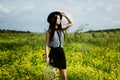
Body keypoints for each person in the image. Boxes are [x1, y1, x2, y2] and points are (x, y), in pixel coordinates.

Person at [45, 11, 73, 80]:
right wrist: (47, 57)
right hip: (53, 53)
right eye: (58, 18)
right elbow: (46, 45)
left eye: (60, 18)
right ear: (53, 20)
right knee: (53, 77)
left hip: (61, 52)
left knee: (64, 76)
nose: (60, 20)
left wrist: (65, 15)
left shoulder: (62, 28)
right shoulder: (49, 32)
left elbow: (71, 23)